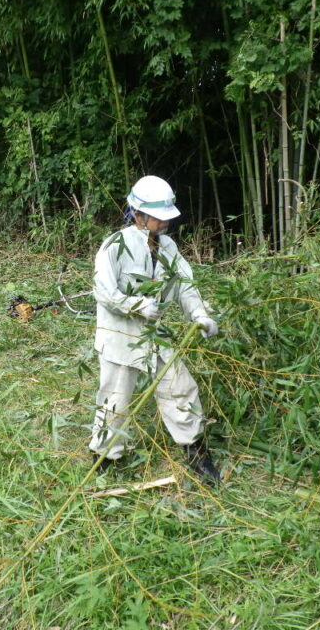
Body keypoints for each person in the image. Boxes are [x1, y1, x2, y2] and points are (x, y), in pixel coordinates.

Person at [89, 175, 221, 485]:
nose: (164, 224)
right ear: (138, 214)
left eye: (166, 218)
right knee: (115, 399)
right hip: (121, 334)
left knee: (180, 387)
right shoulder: (114, 246)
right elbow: (103, 291)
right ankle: (105, 458)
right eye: (158, 218)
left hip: (154, 333)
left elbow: (185, 283)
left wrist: (200, 313)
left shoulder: (167, 245)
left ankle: (196, 453)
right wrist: (135, 305)